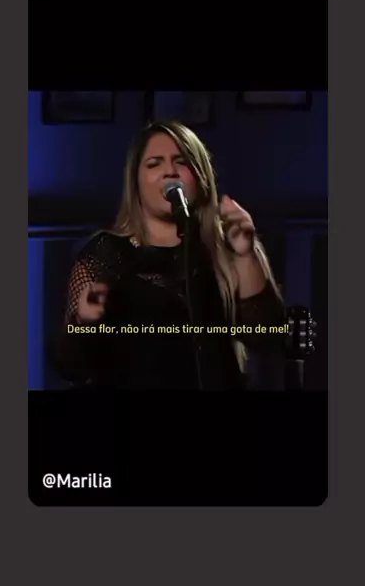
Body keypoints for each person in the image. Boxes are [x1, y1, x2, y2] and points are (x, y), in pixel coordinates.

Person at [51, 120, 288, 390]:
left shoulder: (226, 247)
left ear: (200, 176)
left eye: (181, 162)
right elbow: (71, 367)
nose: (170, 172)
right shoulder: (105, 254)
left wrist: (246, 255)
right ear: (136, 182)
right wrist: (85, 324)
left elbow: (267, 337)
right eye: (154, 164)